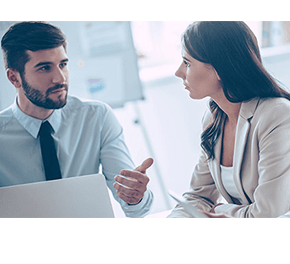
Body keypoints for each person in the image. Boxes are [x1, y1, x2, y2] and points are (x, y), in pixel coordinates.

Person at [0, 21, 153, 218]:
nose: (60, 78)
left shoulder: (96, 117)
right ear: (14, 78)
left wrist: (135, 196)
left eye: (63, 65)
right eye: (45, 68)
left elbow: (134, 207)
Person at [168, 21, 290, 218]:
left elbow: (268, 215)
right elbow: (197, 197)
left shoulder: (277, 116)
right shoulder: (213, 118)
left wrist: (222, 210)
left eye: (188, 63)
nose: (179, 73)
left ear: (218, 68)